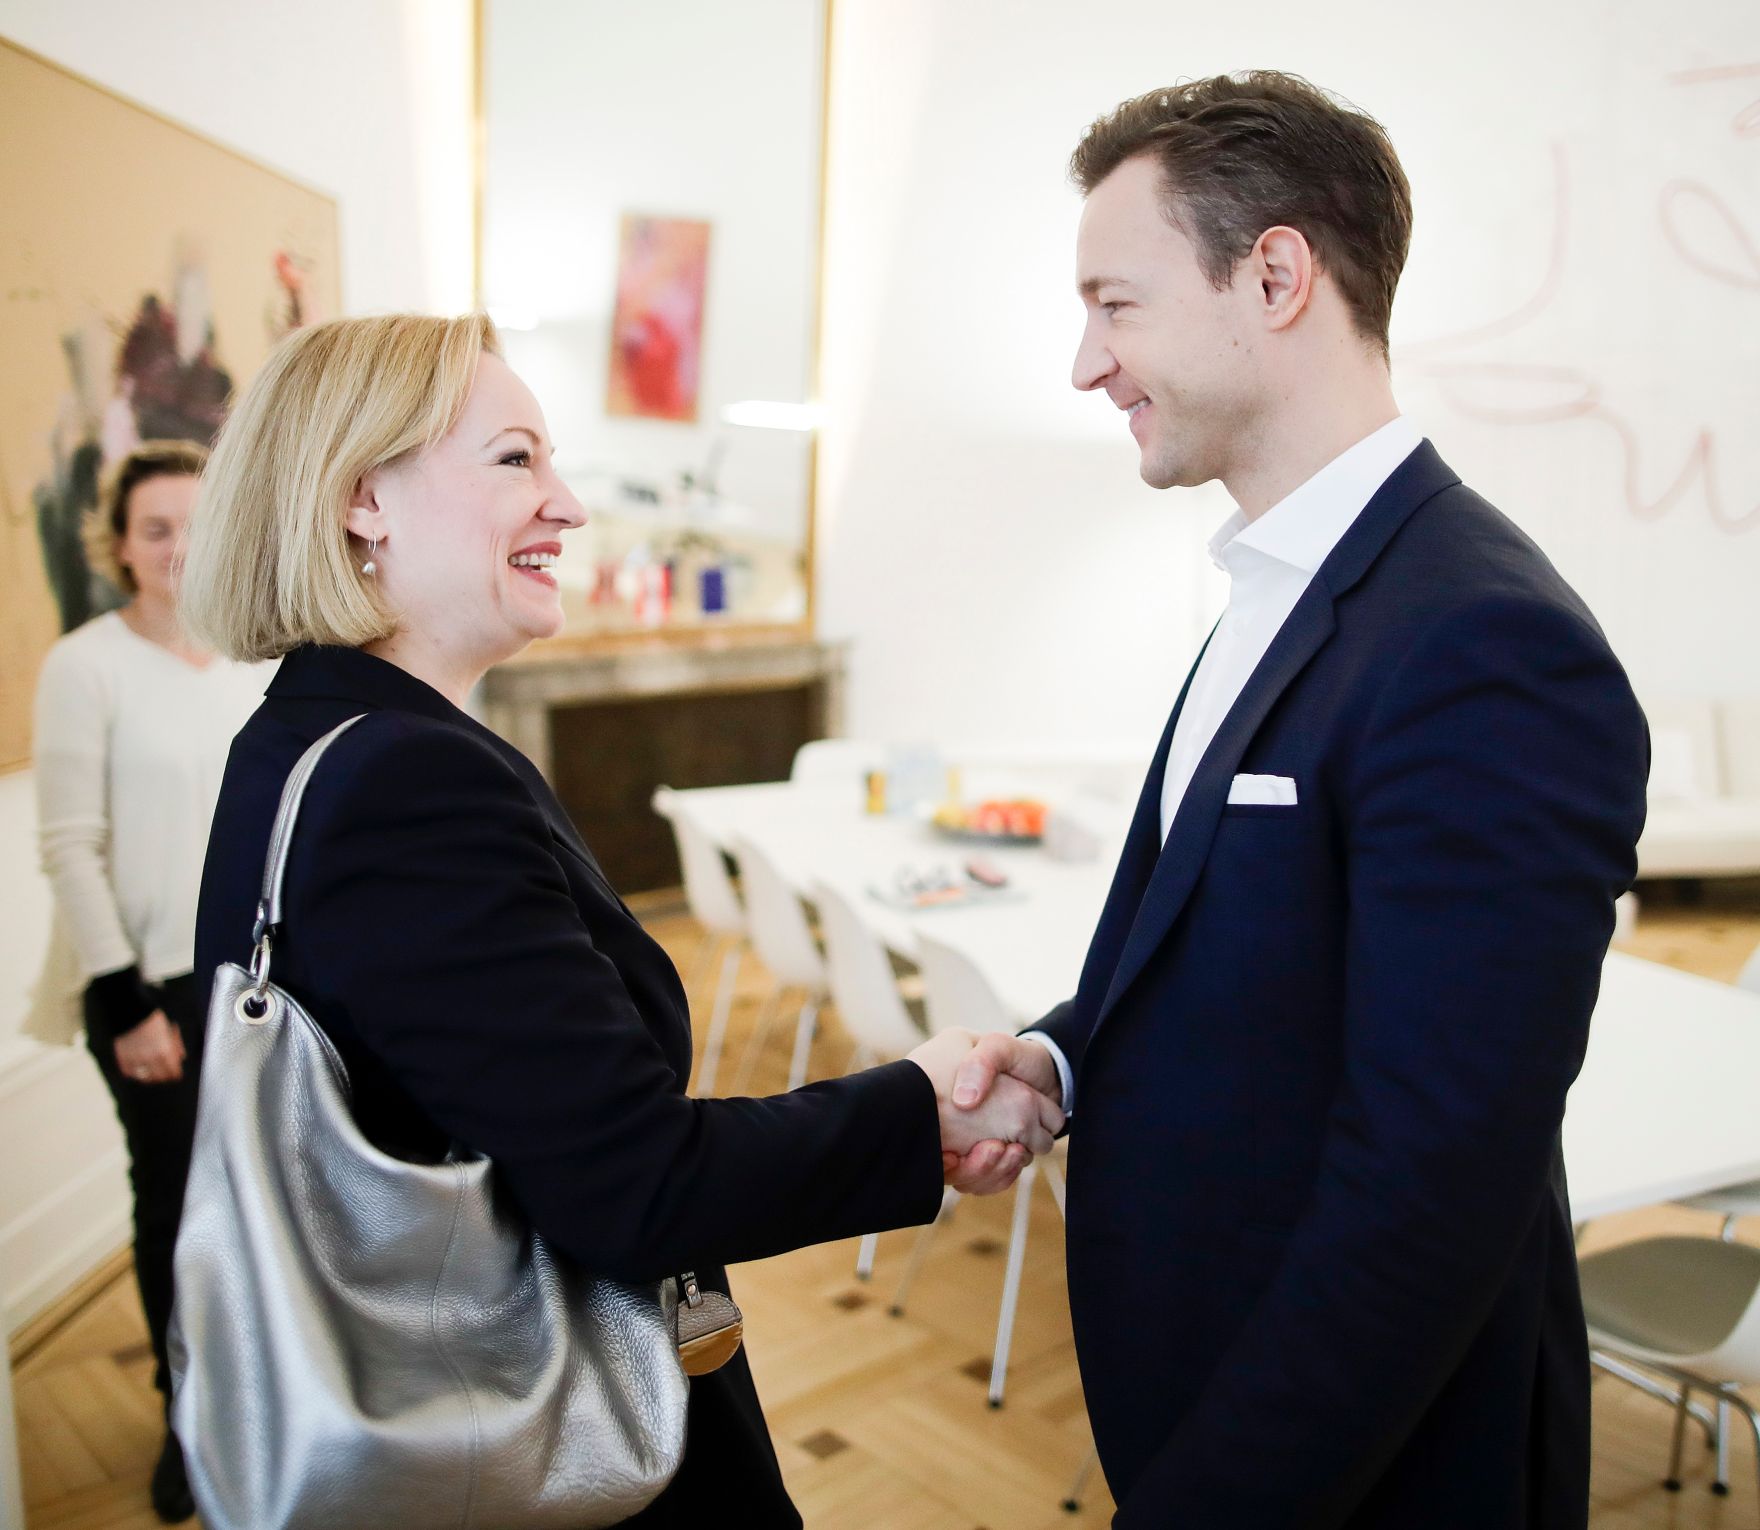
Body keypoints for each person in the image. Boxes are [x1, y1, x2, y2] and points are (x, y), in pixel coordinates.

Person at [176, 312, 1059, 1528]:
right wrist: (915, 1104)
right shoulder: (406, 783)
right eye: (514, 460)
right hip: (526, 1443)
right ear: (361, 498)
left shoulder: (301, 738)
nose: (568, 505)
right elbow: (635, 1189)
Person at [945, 73, 1649, 1528]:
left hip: (1367, 1467)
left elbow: (1432, 1186)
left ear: (1275, 274)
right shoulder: (1280, 590)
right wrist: (1064, 1062)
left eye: (1115, 304)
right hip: (1211, 1368)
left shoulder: (1484, 641)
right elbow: (1259, 980)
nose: (1088, 362)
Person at [30, 440, 272, 1524]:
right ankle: (186, 1418)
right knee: (176, 1211)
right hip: (148, 993)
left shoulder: (254, 660)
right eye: (153, 529)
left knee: (262, 1212)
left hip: (253, 984)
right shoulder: (84, 666)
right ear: (119, 547)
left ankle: (262, 1403)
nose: (176, 549)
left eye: (191, 523)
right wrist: (124, 1001)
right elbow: (70, 849)